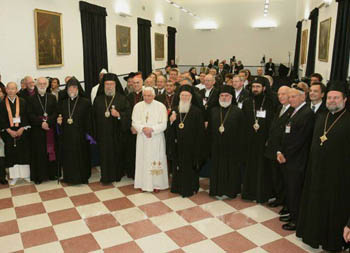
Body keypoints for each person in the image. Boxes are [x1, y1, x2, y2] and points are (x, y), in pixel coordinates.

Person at [296, 81, 350, 251]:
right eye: (330, 97)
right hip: (316, 172)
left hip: (338, 176)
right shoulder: (321, 117)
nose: (332, 100)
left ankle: (332, 241)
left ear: (345, 99)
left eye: (336, 97)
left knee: (333, 210)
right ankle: (314, 236)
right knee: (315, 206)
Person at [277, 87, 315, 231]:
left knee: (295, 190)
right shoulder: (294, 111)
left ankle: (296, 219)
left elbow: (300, 140)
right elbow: (286, 134)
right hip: (287, 157)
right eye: (290, 96)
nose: (291, 99)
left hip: (296, 160)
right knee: (290, 188)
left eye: (294, 96)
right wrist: (280, 151)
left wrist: (285, 154)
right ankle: (292, 213)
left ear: (303, 97)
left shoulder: (307, 114)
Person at [241, 76, 277, 203]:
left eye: (258, 87)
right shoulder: (247, 102)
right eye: (254, 87)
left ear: (264, 88)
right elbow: (243, 122)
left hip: (264, 140)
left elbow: (273, 123)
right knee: (250, 167)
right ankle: (249, 193)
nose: (255, 89)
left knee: (263, 169)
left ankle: (262, 194)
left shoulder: (270, 102)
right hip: (250, 140)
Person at [167, 85, 205, 197]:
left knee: (190, 168)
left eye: (187, 95)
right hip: (177, 145)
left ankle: (190, 187)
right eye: (182, 95)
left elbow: (200, 131)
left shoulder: (196, 111)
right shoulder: (174, 110)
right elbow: (170, 129)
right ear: (179, 97)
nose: (184, 97)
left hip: (191, 146)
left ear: (191, 97)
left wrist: (198, 146)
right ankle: (177, 187)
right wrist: (170, 121)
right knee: (177, 167)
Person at [208, 85, 246, 198]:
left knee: (231, 169)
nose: (224, 98)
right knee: (216, 168)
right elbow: (209, 130)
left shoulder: (238, 111)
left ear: (231, 97)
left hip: (232, 147)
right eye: (222, 95)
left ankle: (231, 191)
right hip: (216, 146)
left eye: (227, 96)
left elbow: (242, 131)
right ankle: (216, 190)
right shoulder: (213, 111)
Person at [93, 73, 131, 184]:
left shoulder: (122, 99)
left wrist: (119, 115)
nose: (109, 86)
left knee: (117, 155)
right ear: (103, 85)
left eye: (111, 84)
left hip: (117, 134)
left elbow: (128, 115)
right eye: (107, 84)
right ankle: (105, 176)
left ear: (115, 85)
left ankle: (117, 175)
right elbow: (93, 117)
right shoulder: (98, 100)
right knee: (104, 156)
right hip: (103, 135)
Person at [132, 87, 169, 192]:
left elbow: (164, 124)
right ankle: (142, 183)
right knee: (142, 159)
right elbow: (134, 121)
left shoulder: (161, 106)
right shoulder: (138, 106)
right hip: (142, 137)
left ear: (154, 96)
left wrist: (151, 130)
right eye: (145, 96)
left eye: (149, 96)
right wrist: (143, 129)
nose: (147, 98)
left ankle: (157, 185)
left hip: (156, 138)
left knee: (156, 159)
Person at [57, 77, 92, 185]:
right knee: (68, 157)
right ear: (67, 89)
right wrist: (59, 122)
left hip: (80, 136)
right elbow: (59, 119)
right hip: (67, 135)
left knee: (82, 157)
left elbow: (89, 120)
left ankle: (82, 177)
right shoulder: (63, 103)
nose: (72, 90)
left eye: (74, 87)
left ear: (78, 89)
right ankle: (69, 178)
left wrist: (88, 135)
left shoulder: (85, 102)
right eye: (70, 88)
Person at [264, 86, 293, 208]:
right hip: (273, 148)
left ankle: (284, 200)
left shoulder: (292, 111)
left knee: (283, 177)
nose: (281, 96)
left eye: (284, 94)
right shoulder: (279, 108)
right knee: (275, 176)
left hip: (283, 150)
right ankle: (278, 197)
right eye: (279, 94)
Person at [27, 77, 58, 184]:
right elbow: (30, 115)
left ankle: (52, 174)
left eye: (44, 83)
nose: (42, 85)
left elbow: (55, 112)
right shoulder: (31, 99)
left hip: (49, 129)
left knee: (50, 152)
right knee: (39, 153)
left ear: (47, 84)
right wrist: (41, 123)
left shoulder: (52, 97)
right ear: (36, 85)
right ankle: (39, 176)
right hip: (37, 130)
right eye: (39, 83)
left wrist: (48, 122)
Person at [0, 82, 31, 185]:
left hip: (21, 131)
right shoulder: (2, 103)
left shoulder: (23, 102)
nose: (11, 91)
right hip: (9, 133)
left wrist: (22, 129)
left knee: (24, 152)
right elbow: (1, 119)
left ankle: (25, 175)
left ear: (16, 89)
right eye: (9, 89)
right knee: (11, 154)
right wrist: (9, 130)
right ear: (6, 90)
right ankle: (14, 176)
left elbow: (26, 116)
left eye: (13, 89)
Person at [125, 76, 144, 179]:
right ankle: (133, 173)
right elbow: (127, 113)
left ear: (142, 83)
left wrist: (140, 127)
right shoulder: (129, 96)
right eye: (134, 83)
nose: (135, 85)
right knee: (132, 152)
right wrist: (131, 126)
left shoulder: (146, 96)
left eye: (138, 83)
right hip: (132, 129)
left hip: (143, 129)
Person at [0, 86, 7, 184]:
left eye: (0, 92)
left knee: (1, 156)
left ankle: (2, 177)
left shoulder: (5, 104)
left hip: (2, 134)